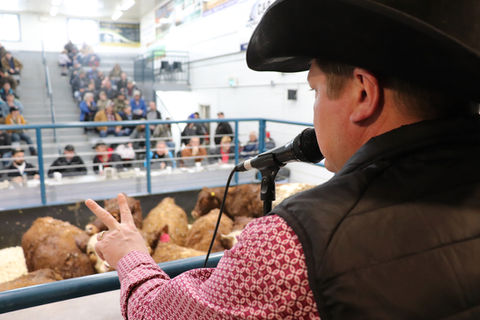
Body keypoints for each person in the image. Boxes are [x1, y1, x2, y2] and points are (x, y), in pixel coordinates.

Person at [85, 1, 480, 319]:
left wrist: (131, 257)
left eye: (316, 91)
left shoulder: (294, 243)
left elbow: (161, 315)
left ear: (363, 94)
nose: (314, 111)